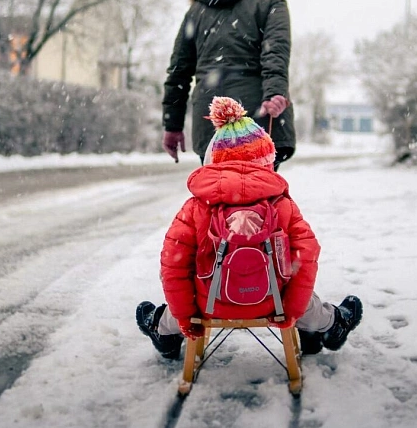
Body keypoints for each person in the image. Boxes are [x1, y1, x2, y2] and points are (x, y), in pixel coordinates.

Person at [137, 97, 362, 359]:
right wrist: (291, 310)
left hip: (209, 305)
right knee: (303, 296)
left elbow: (173, 265)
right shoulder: (282, 206)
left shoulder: (196, 207)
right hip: (272, 303)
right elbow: (307, 255)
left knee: (186, 293)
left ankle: (163, 331)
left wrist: (186, 318)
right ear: (267, 160)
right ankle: (331, 324)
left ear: (214, 159)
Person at [161, 0, 296, 171]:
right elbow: (276, 53)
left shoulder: (198, 9)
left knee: (216, 196)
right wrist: (275, 92)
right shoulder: (271, 2)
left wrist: (172, 125)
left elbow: (179, 72)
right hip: (258, 115)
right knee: (260, 196)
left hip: (211, 117)